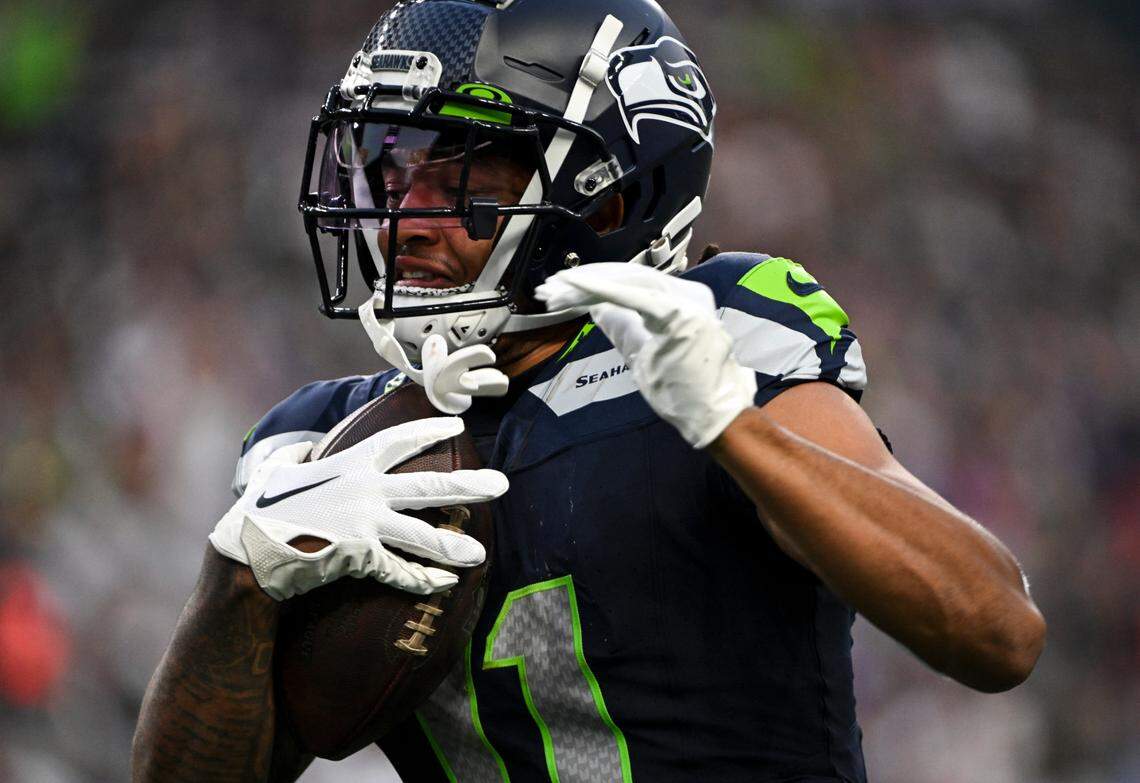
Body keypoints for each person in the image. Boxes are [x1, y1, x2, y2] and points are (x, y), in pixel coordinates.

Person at [131, 1, 1046, 781]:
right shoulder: (323, 441)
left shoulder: (717, 338)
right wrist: (239, 571)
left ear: (604, 201)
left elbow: (997, 629)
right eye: (390, 165)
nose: (404, 217)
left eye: (459, 172)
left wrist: (732, 426)